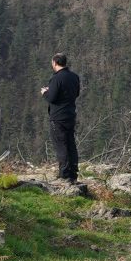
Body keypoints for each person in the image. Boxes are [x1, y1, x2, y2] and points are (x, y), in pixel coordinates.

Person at [40, 53, 82, 183]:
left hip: (58, 116)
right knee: (70, 144)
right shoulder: (74, 76)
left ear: (54, 63)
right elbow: (76, 93)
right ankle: (73, 173)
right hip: (70, 114)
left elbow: (52, 98)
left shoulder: (56, 78)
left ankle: (64, 174)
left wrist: (45, 92)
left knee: (61, 145)